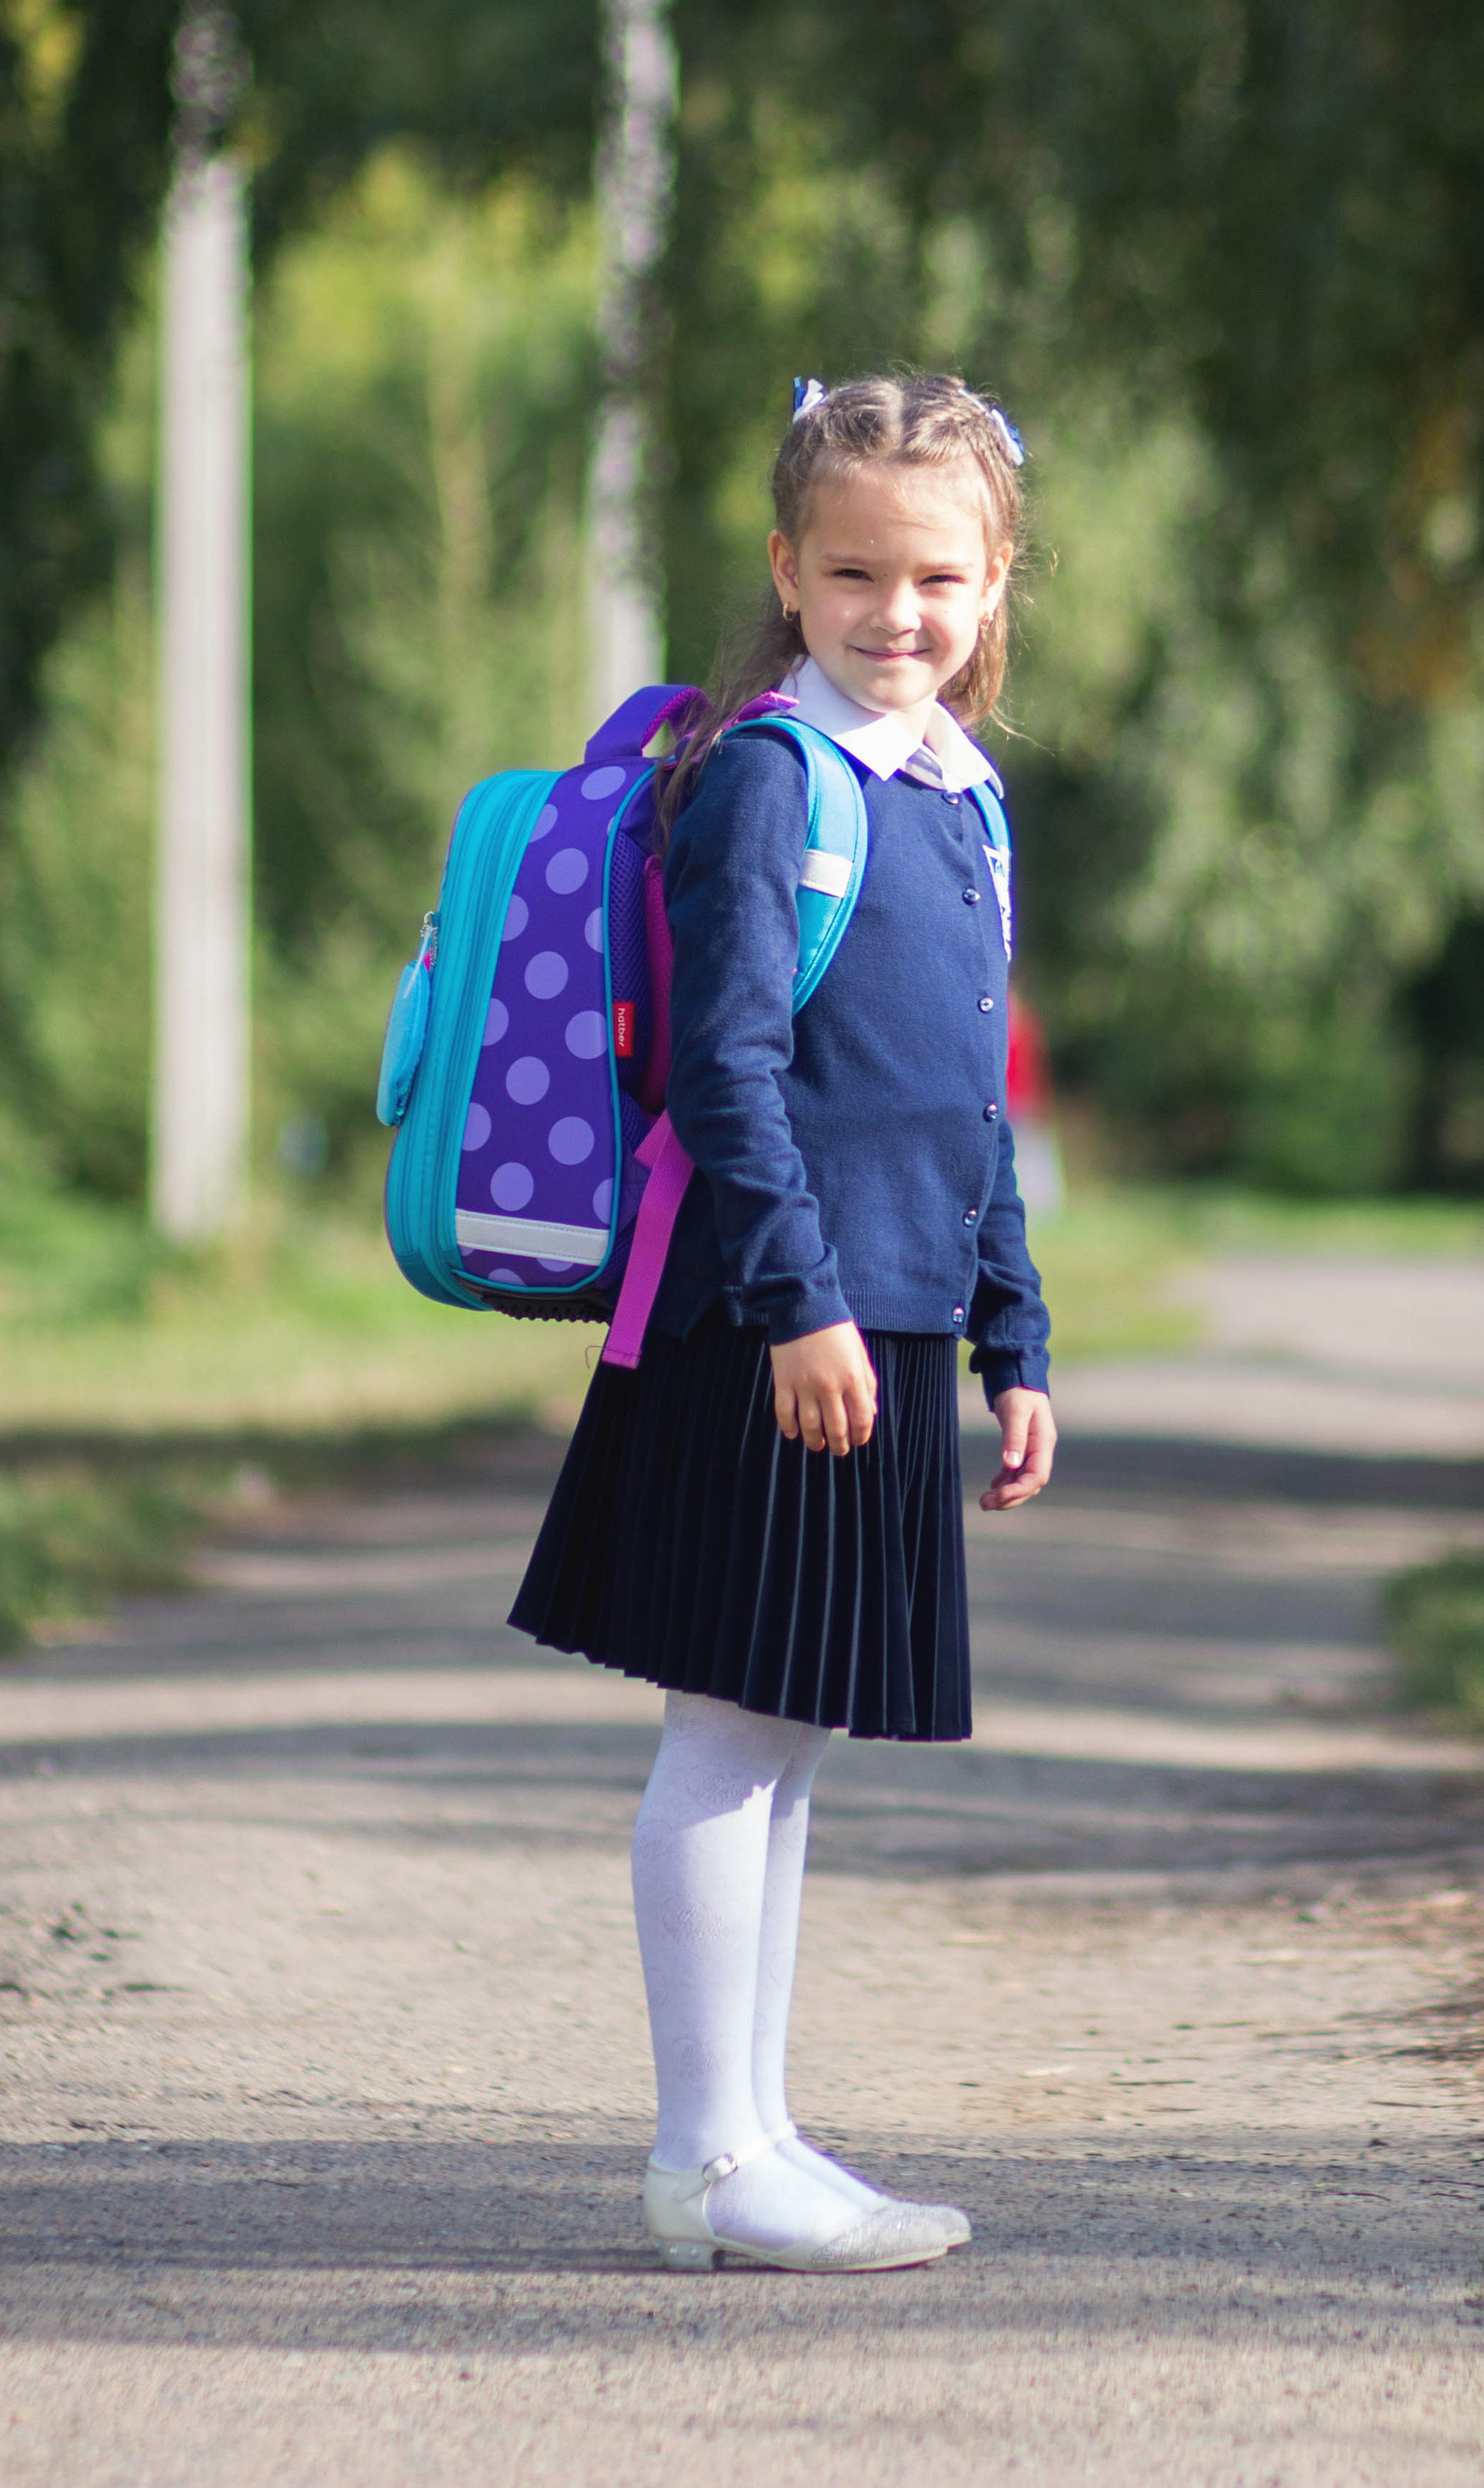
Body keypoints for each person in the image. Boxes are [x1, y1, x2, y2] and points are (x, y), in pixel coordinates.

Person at [510, 371, 1058, 2274]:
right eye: (853, 575)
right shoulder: (768, 779)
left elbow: (968, 1098)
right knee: (727, 1739)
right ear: (784, 571)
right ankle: (704, 2157)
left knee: (782, 1739)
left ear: (993, 584)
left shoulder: (962, 798)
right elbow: (727, 1080)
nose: (895, 614)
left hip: (885, 1325)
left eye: (935, 578)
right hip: (772, 1325)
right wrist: (800, 1302)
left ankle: (750, 2134)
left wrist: (1013, 1337)